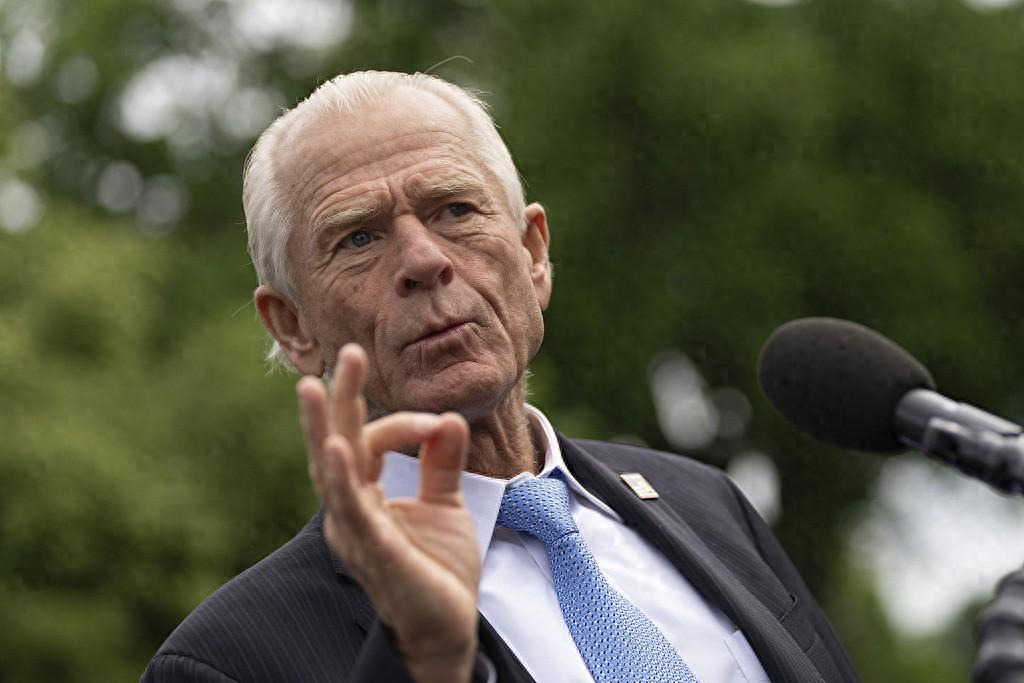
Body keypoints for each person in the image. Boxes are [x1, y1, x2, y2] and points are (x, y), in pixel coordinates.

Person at [142, 71, 857, 683]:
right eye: (359, 237)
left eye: (455, 209)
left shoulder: (709, 506)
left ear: (534, 255)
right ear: (292, 326)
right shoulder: (227, 662)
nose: (424, 261)